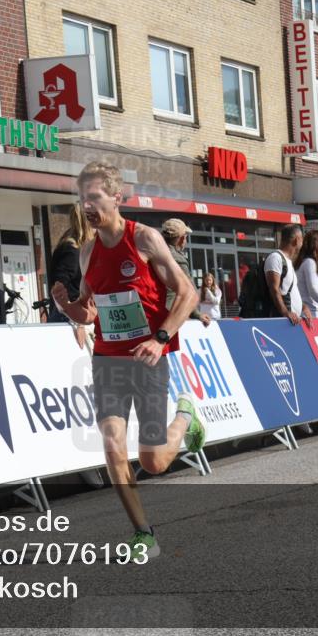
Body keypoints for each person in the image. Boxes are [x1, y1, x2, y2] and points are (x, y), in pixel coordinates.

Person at [51, 161, 205, 562]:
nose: (87, 206)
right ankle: (143, 534)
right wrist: (66, 306)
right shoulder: (87, 252)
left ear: (116, 198)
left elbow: (187, 293)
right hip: (108, 360)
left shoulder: (145, 239)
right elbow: (90, 311)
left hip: (148, 358)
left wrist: (160, 338)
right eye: (82, 199)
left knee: (153, 461)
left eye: (94, 197)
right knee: (112, 445)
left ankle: (185, 417)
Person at [48, 205, 93, 349]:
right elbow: (61, 288)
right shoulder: (72, 250)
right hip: (69, 319)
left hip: (72, 316)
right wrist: (78, 323)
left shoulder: (71, 246)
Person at [161, 218, 210, 327]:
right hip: (168, 317)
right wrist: (197, 314)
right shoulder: (177, 259)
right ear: (182, 238)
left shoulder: (153, 253)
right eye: (186, 237)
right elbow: (190, 292)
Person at [264, 224, 313, 327]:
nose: (302, 243)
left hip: (292, 322)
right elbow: (274, 289)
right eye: (302, 239)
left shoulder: (288, 261)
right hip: (283, 322)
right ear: (296, 240)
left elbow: (288, 290)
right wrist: (285, 312)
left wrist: (303, 307)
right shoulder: (276, 258)